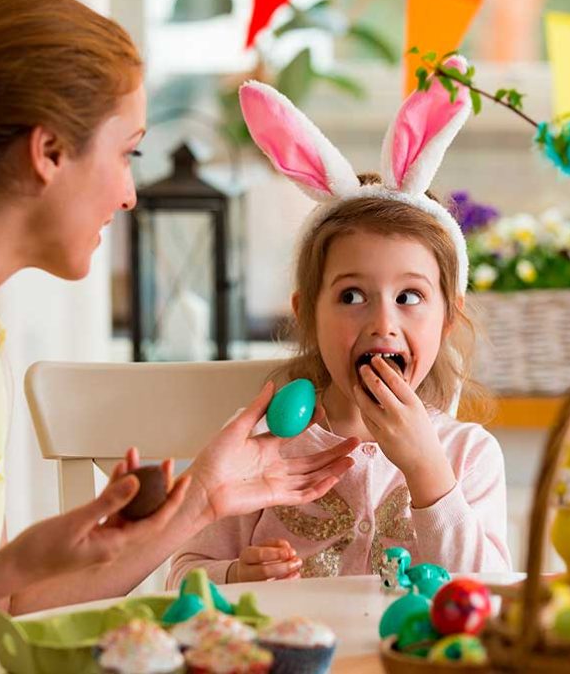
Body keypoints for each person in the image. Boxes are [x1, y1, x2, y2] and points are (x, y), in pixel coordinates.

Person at [0, 0, 356, 660]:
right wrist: (11, 566)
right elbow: (1, 586)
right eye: (128, 152)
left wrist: (203, 501)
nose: (131, 193)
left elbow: (0, 609)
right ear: (47, 150)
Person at [168, 60, 511, 586]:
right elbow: (183, 578)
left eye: (410, 296)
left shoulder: (468, 456)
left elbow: (489, 597)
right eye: (352, 295)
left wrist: (427, 471)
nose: (382, 322)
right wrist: (235, 575)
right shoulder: (260, 447)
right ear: (306, 312)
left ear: (448, 320)